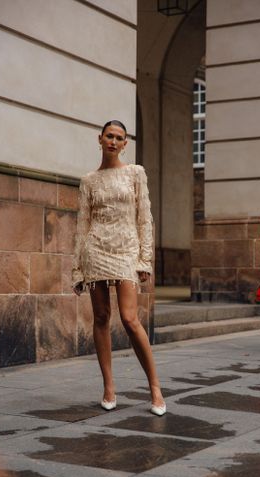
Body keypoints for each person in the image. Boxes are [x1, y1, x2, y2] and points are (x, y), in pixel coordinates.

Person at [72, 120, 166, 416]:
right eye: (109, 136)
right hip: (95, 249)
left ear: (125, 143)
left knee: (130, 318)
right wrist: (78, 268)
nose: (113, 141)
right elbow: (82, 224)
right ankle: (109, 387)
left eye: (119, 138)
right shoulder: (88, 181)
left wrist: (144, 260)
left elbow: (144, 217)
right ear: (100, 139)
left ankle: (155, 387)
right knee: (101, 316)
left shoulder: (135, 173)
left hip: (126, 249)